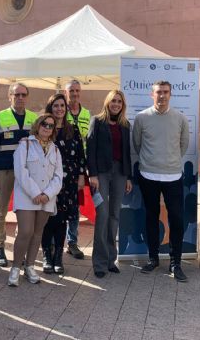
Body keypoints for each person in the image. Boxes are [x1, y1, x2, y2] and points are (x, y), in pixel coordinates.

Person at [132, 80, 190, 282]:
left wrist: (170, 162)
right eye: (158, 92)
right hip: (148, 175)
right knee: (151, 217)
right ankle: (153, 258)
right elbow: (137, 144)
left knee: (177, 219)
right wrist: (151, 162)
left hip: (173, 176)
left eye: (166, 92)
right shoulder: (141, 118)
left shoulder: (180, 118)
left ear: (170, 94)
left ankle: (176, 263)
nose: (162, 95)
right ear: (152, 94)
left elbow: (183, 145)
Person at [0, 83, 38, 267]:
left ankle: (20, 248)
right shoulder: (0, 117)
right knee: (1, 210)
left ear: (27, 97)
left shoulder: (34, 118)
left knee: (25, 211)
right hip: (5, 170)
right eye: (16, 95)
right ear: (10, 96)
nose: (20, 98)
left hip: (26, 172)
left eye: (24, 94)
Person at [8, 114, 63, 286]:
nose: (47, 127)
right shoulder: (25, 144)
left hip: (47, 198)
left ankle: (30, 267)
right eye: (44, 124)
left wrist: (47, 194)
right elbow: (20, 171)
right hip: (27, 196)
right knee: (25, 232)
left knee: (38, 233)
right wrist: (35, 193)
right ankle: (16, 267)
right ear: (38, 125)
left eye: (51, 126)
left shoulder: (55, 149)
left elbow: (58, 176)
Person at [87, 90, 132, 278]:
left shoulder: (125, 124)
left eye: (119, 101)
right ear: (107, 102)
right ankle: (99, 262)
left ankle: (110, 260)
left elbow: (128, 152)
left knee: (114, 215)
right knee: (103, 214)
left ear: (123, 105)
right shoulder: (97, 121)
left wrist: (128, 177)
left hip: (120, 173)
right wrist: (93, 174)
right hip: (102, 173)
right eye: (113, 100)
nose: (116, 104)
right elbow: (90, 147)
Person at [40, 94, 86, 275]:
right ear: (50, 108)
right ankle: (47, 256)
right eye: (56, 106)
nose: (59, 109)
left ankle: (58, 257)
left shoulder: (72, 129)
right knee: (48, 219)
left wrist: (82, 175)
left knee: (62, 220)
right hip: (48, 181)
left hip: (69, 182)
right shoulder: (45, 127)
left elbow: (81, 155)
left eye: (62, 106)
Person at [64, 79, 90, 260]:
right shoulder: (58, 110)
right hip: (61, 165)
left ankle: (72, 242)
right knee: (57, 205)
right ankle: (53, 241)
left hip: (80, 165)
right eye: (71, 91)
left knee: (75, 205)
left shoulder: (87, 114)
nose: (74, 94)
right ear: (66, 93)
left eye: (77, 90)